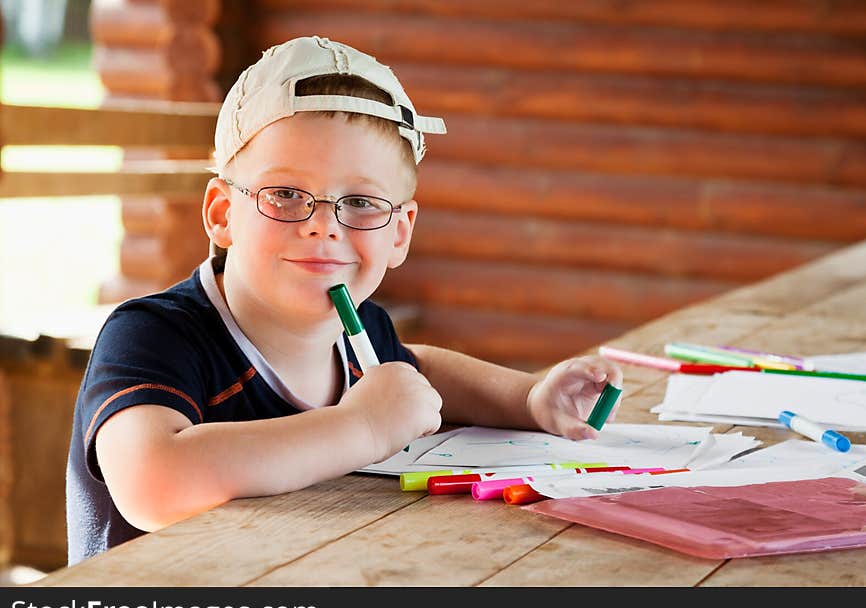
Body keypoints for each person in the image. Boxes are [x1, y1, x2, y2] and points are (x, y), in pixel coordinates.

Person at [65, 36, 623, 565]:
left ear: (399, 233)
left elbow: (416, 371)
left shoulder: (361, 334)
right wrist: (363, 429)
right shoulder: (155, 335)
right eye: (285, 195)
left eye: (359, 202)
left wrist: (527, 399)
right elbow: (153, 484)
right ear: (220, 214)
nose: (324, 227)